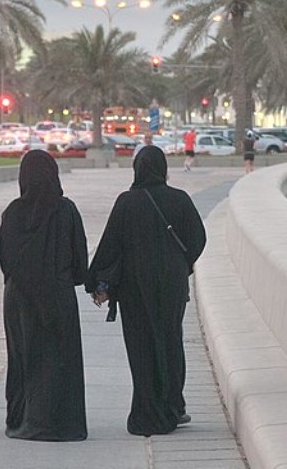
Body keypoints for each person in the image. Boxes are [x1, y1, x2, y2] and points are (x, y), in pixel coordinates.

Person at [87, 146, 207, 436]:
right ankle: (173, 406)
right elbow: (198, 238)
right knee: (170, 342)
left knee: (141, 346)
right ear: (163, 169)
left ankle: (146, 411)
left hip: (135, 288)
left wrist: (97, 283)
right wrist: (181, 265)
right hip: (171, 286)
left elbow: (110, 246)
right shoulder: (180, 199)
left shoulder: (126, 203)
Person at [0, 150, 88, 442]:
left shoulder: (13, 212)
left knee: (24, 357)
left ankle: (24, 419)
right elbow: (79, 259)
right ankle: (58, 423)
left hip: (19, 299)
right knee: (59, 359)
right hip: (57, 295)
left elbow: (4, 255)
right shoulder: (66, 210)